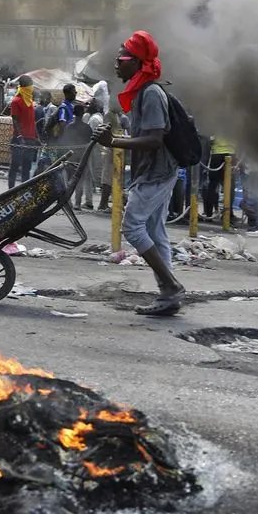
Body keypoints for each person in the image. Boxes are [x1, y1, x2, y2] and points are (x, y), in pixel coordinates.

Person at [95, 30, 185, 317]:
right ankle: (168, 295)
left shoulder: (151, 94)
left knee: (133, 227)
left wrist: (114, 142)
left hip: (158, 172)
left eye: (121, 58)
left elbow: (155, 139)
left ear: (137, 62)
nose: (116, 63)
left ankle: (170, 285)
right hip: (152, 170)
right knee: (156, 233)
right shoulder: (141, 93)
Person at [8, 74, 38, 188]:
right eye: (30, 85)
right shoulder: (16, 100)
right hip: (19, 139)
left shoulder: (29, 100)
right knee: (14, 166)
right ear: (25, 86)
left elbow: (32, 121)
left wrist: (36, 137)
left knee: (27, 167)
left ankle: (23, 189)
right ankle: (10, 189)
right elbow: (15, 120)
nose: (32, 87)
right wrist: (20, 136)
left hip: (30, 139)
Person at [203, 136, 235, 219]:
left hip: (216, 154)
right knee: (229, 187)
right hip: (230, 153)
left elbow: (210, 138)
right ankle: (228, 215)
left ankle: (208, 213)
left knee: (212, 185)